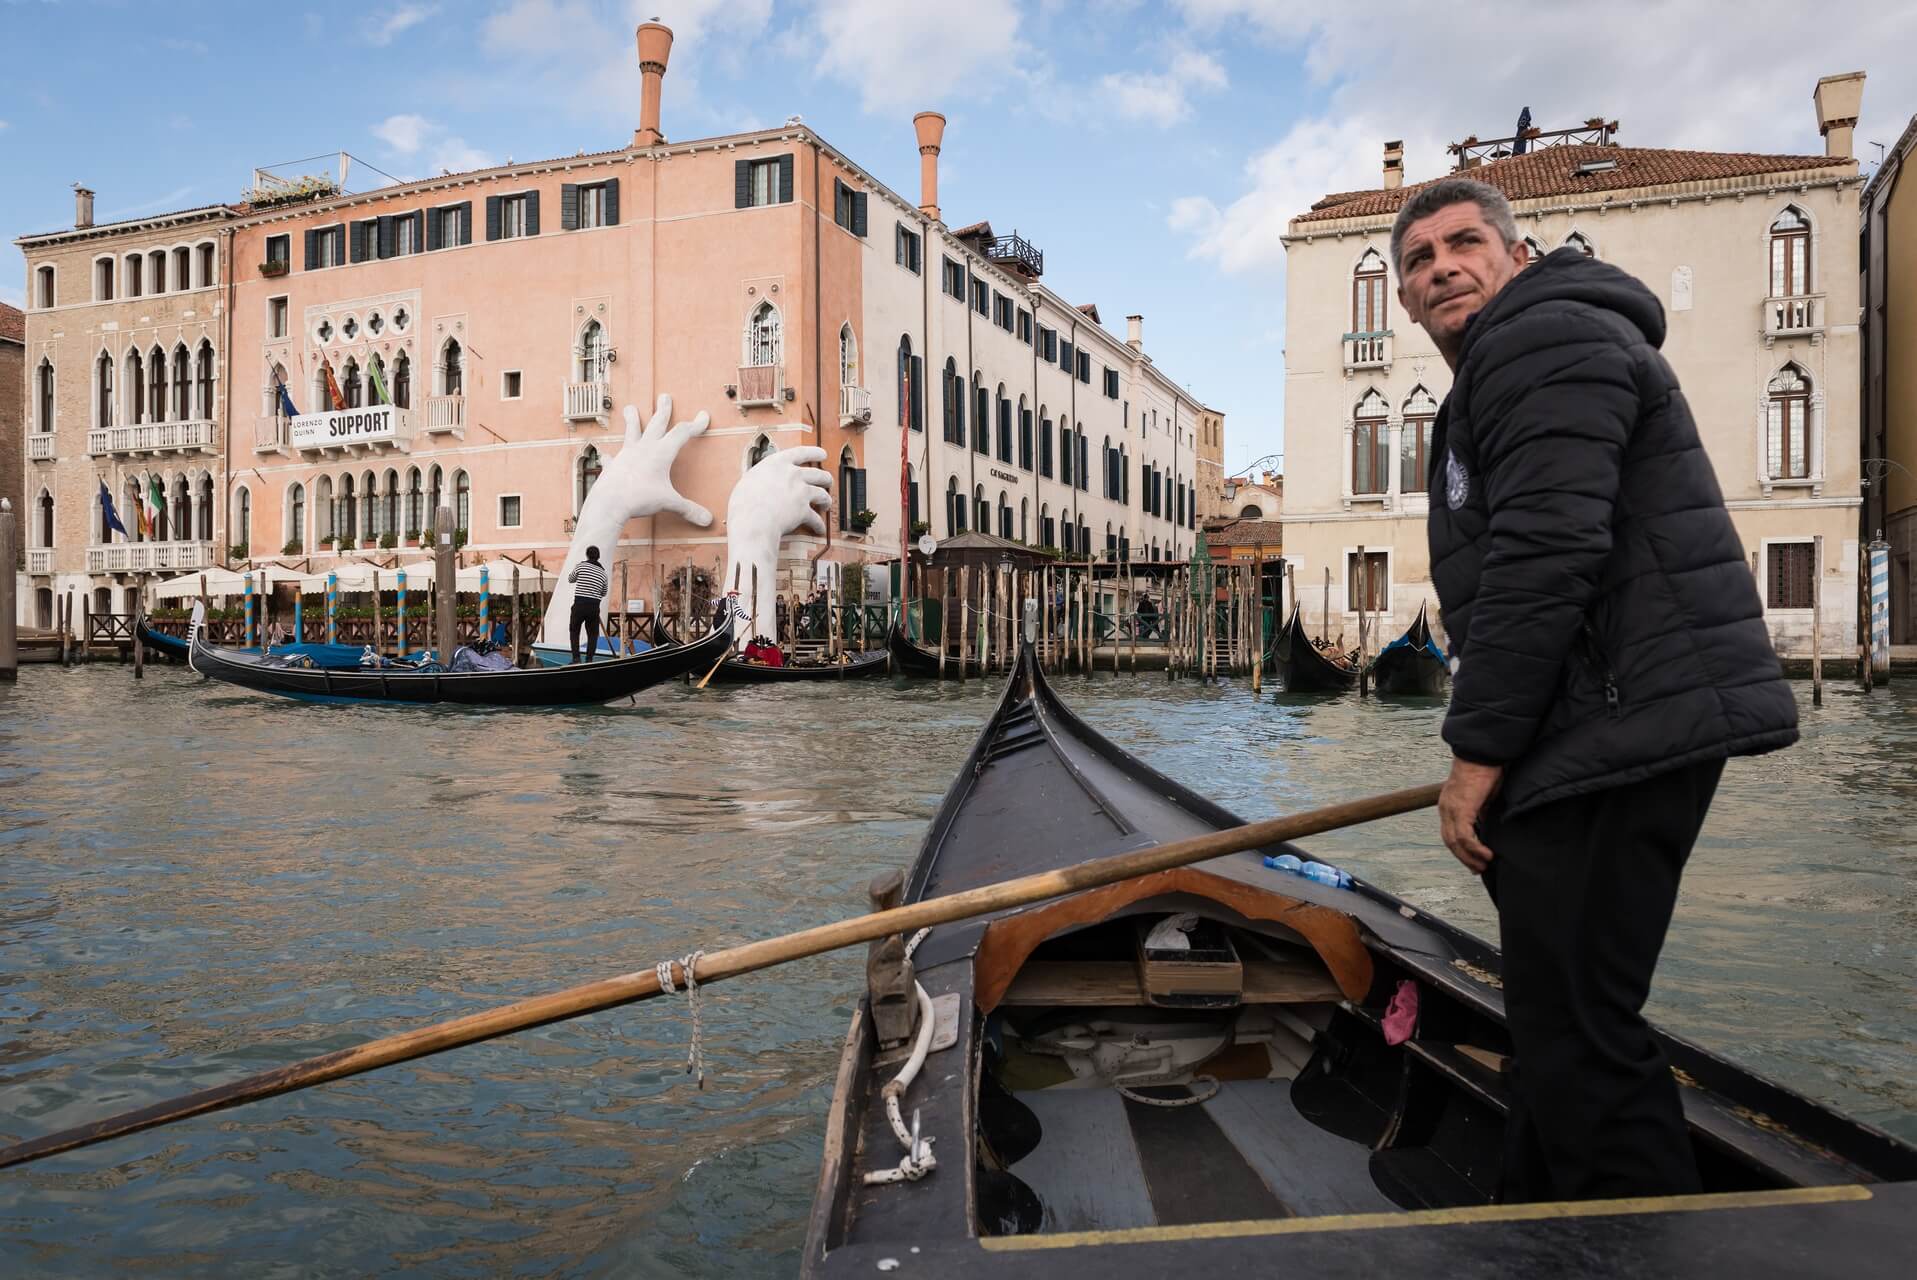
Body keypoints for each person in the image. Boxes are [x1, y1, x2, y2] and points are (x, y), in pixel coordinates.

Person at [1396, 178, 1798, 1203]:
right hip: (1596, 726)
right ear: (1403, 298)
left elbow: (1547, 550)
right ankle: (1531, 1223)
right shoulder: (1518, 355)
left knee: (1579, 1032)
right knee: (1555, 1020)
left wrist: (1476, 753)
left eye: (1463, 242)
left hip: (1610, 726)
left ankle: (1633, 1242)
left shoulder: (1540, 340)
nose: (1440, 265)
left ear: (1515, 255)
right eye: (1416, 258)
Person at [566, 545, 610, 663]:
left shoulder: (581, 566)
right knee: (593, 634)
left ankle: (576, 658)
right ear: (598, 557)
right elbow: (604, 592)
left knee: (574, 631)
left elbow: (570, 579)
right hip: (594, 607)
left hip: (579, 604)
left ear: (587, 555)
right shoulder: (603, 573)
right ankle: (589, 659)